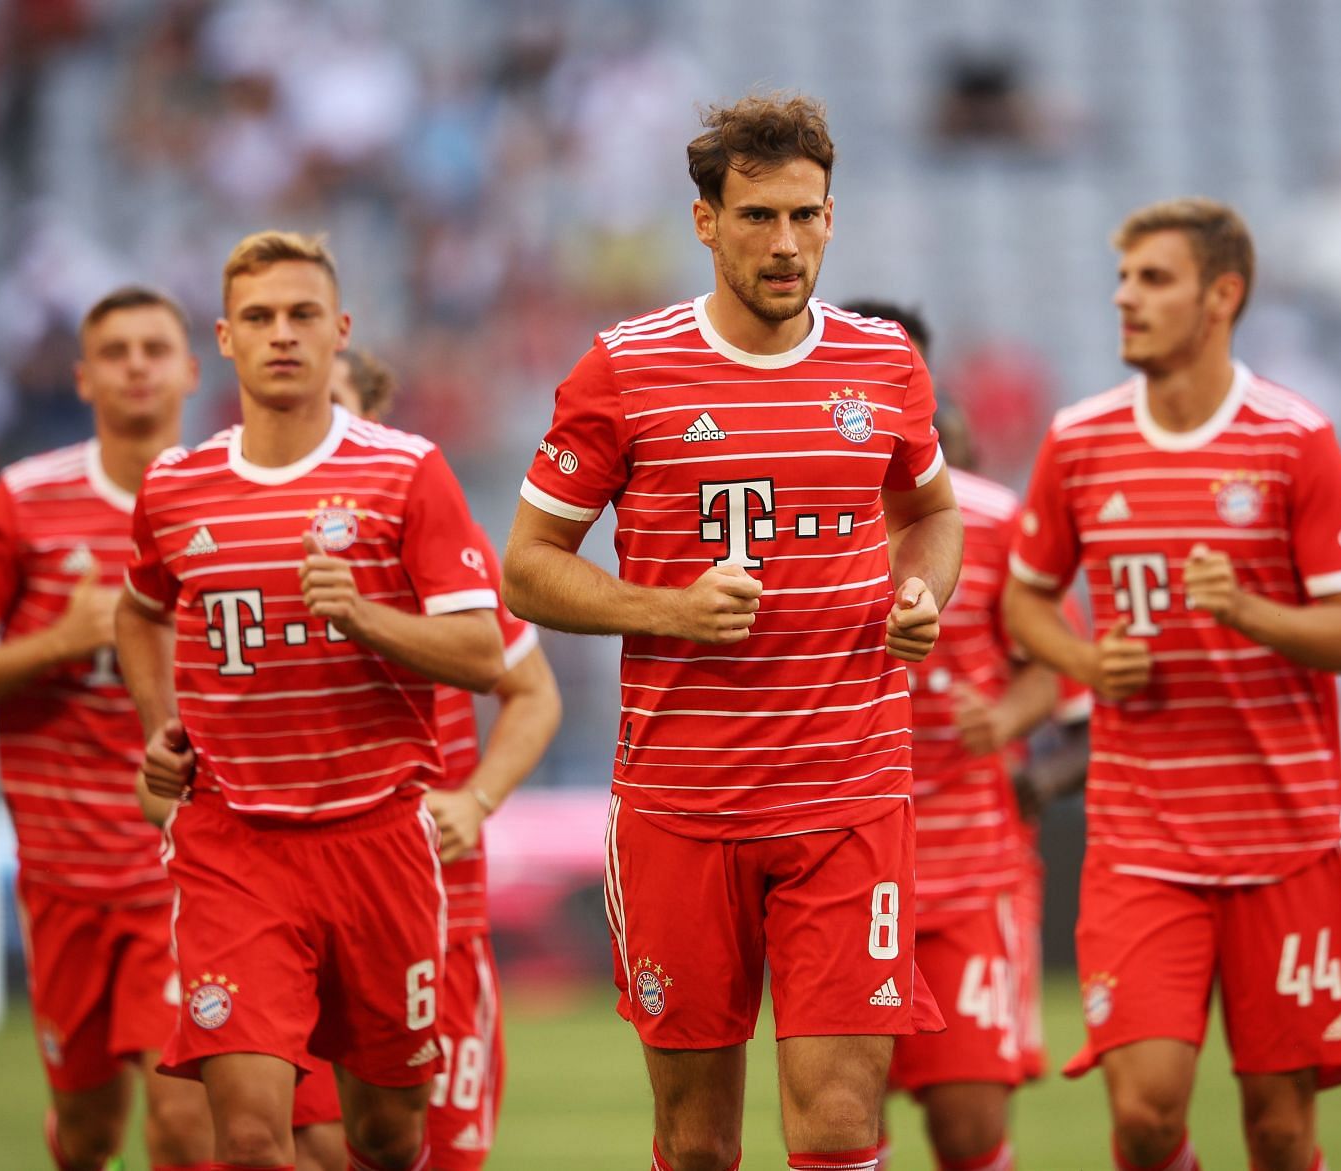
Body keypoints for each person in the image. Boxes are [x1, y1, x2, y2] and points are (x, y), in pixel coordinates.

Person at [501, 94, 960, 1171]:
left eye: (805, 215)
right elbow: (526, 567)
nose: (785, 242)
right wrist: (667, 609)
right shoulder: (623, 369)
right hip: (681, 804)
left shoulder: (884, 362)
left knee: (842, 1124)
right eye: (756, 217)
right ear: (705, 221)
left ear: (833, 217)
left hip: (849, 790)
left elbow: (931, 511)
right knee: (698, 1140)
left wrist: (920, 593)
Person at [1002, 197, 1341, 1171]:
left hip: (1283, 840)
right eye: (1123, 279)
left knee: (1282, 1129)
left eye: (1154, 279)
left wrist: (1251, 611)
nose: (1126, 299)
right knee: (1146, 1110)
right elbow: (1025, 602)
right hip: (1140, 840)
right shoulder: (1080, 439)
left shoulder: (1295, 438)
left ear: (1223, 296)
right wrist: (1085, 662)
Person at [116, 231, 506, 1171]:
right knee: (250, 1139)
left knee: (385, 1135)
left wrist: (366, 618)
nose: (280, 335)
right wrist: (157, 727)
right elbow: (137, 613)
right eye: (258, 318)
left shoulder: (407, 470)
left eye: (299, 316)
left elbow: (484, 652)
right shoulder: (175, 486)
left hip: (379, 843)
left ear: (339, 331)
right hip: (234, 847)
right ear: (223, 338)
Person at [0, 286, 213, 1171]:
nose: (136, 364)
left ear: (190, 369)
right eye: (115, 351)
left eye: (153, 347)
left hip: (185, 867)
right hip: (63, 871)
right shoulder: (25, 503)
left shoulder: (229, 498)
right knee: (91, 1131)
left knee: (185, 1121)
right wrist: (58, 639)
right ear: (83, 378)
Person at [328, 347, 564, 1171]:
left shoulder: (438, 540)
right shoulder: (242, 536)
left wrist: (475, 797)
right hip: (295, 901)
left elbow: (532, 691)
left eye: (335, 407)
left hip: (434, 908)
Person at [841, 299, 1059, 1171]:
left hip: (970, 872)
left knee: (968, 1131)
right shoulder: (796, 515)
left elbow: (1051, 667)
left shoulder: (995, 520)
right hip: (842, 864)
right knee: (844, 1127)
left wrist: (1002, 719)